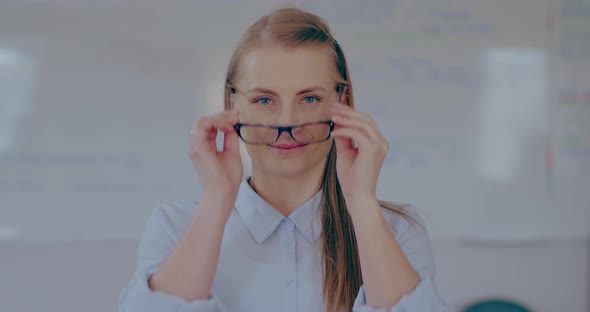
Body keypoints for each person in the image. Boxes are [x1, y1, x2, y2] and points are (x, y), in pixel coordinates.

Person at [119, 7, 454, 312]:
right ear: (232, 104)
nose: (286, 123)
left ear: (342, 102)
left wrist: (361, 202)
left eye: (309, 98)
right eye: (264, 100)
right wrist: (217, 199)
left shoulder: (396, 231)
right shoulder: (175, 227)